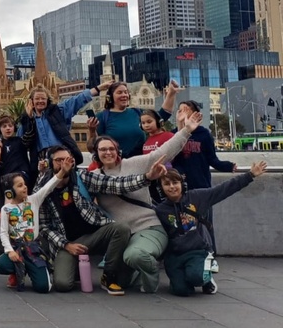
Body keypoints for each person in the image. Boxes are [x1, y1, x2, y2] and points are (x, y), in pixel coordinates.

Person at [91, 110, 202, 293]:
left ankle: (151, 283)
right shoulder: (93, 177)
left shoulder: (134, 164)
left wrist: (185, 131)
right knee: (121, 281)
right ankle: (136, 272)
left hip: (148, 227)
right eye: (103, 149)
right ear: (96, 154)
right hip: (123, 236)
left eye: (111, 148)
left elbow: (163, 153)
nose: (108, 152)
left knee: (135, 255)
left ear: (117, 151)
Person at [36, 145, 168, 295]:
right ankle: (74, 267)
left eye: (67, 159)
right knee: (63, 284)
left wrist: (147, 177)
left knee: (120, 228)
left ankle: (109, 275)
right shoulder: (42, 188)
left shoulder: (81, 177)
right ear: (50, 163)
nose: (64, 164)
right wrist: (66, 245)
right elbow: (44, 227)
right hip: (68, 243)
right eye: (58, 160)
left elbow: (115, 184)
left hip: (94, 236)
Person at [156, 162, 267, 296]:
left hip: (196, 250)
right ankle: (185, 276)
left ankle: (206, 276)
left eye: (175, 182)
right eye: (167, 184)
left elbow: (223, 189)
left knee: (196, 278)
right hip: (175, 255)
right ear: (161, 188)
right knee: (181, 291)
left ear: (182, 184)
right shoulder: (160, 210)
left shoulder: (196, 197)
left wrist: (250, 175)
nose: (172, 187)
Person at [171, 99, 236, 263]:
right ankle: (183, 257)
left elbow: (212, 159)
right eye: (180, 110)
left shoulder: (204, 134)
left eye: (186, 110)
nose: (182, 113)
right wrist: (181, 128)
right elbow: (172, 158)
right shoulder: (173, 134)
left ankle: (210, 255)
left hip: (201, 185)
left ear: (195, 114)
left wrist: (229, 166)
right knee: (182, 224)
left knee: (205, 222)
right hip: (180, 188)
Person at [0, 160, 73, 293]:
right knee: (1, 265)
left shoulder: (34, 200)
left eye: (24, 184)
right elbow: (3, 233)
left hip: (33, 249)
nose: (24, 187)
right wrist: (10, 251)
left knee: (44, 288)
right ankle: (17, 270)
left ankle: (33, 269)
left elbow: (49, 186)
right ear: (10, 192)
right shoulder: (6, 209)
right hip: (16, 248)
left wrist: (62, 172)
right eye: (19, 186)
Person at [21, 83, 111, 169]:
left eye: (43, 98)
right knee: (46, 183)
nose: (40, 101)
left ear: (47, 100)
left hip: (62, 153)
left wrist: (98, 88)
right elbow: (24, 142)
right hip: (41, 159)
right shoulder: (26, 120)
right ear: (31, 101)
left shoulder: (57, 111)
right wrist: (30, 118)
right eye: (37, 98)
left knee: (67, 181)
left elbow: (76, 101)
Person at [94, 80, 179, 159]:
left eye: (126, 92)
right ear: (110, 97)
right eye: (119, 92)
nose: (124, 95)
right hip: (116, 164)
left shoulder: (137, 112)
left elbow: (161, 116)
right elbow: (95, 144)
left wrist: (171, 93)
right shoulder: (102, 117)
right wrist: (91, 130)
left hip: (140, 163)